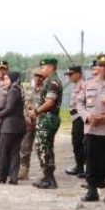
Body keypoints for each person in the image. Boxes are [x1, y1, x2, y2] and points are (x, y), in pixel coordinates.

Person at [76, 54, 105, 202]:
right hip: (91, 129)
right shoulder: (89, 84)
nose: (103, 68)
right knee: (91, 160)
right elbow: (79, 103)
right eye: (101, 65)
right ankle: (92, 190)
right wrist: (87, 116)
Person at [30, 58, 63, 189]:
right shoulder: (49, 81)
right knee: (45, 147)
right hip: (47, 118)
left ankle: (49, 179)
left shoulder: (53, 82)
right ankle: (47, 177)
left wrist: (36, 111)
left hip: (49, 118)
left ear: (50, 67)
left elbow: (50, 102)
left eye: (43, 68)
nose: (42, 70)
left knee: (43, 147)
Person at [0, 71, 25, 185]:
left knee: (2, 151)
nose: (4, 81)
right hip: (19, 126)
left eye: (6, 79)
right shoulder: (19, 89)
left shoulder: (13, 90)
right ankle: (13, 177)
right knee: (15, 152)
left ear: (13, 79)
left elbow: (10, 108)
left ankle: (0, 177)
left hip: (9, 126)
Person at [18, 69, 44, 180]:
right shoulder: (27, 90)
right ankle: (24, 170)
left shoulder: (46, 90)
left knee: (42, 148)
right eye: (36, 75)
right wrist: (26, 116)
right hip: (28, 122)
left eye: (40, 76)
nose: (38, 78)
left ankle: (45, 172)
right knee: (25, 147)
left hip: (41, 122)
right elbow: (23, 105)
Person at [64, 66, 86, 177]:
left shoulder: (83, 85)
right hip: (75, 117)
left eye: (71, 74)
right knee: (76, 142)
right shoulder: (77, 85)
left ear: (78, 74)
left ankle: (82, 168)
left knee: (79, 142)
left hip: (80, 117)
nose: (70, 77)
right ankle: (79, 166)